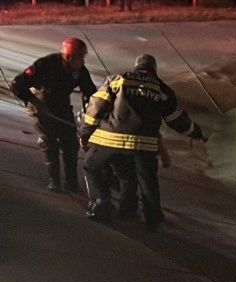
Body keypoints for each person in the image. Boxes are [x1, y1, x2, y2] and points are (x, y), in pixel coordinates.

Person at [79, 54, 206, 231]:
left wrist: (85, 131)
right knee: (147, 181)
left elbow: (97, 107)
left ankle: (101, 204)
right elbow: (176, 120)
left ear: (136, 66)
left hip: (110, 140)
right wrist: (197, 133)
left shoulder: (117, 80)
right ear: (154, 70)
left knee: (91, 165)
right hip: (143, 145)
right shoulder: (162, 89)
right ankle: (151, 218)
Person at [11, 38, 97, 192]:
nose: (82, 60)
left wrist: (95, 111)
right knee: (49, 141)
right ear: (69, 57)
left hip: (61, 105)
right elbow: (17, 84)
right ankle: (54, 180)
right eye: (80, 57)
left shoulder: (80, 71)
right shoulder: (45, 64)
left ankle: (71, 183)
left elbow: (91, 93)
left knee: (70, 142)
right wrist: (35, 102)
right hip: (39, 103)